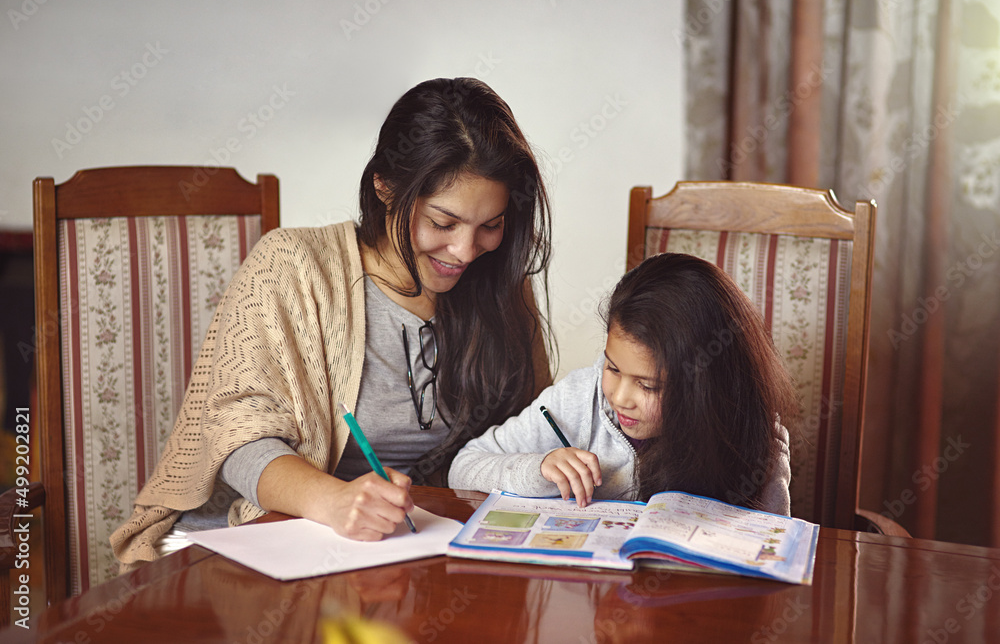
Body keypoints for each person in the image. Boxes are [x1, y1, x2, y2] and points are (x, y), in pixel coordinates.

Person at [111, 77, 553, 569]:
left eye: (490, 225)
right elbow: (237, 439)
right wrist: (334, 501)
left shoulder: (497, 282)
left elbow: (533, 424)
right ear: (386, 186)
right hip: (288, 539)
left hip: (427, 548)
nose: (466, 251)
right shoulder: (293, 266)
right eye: (443, 223)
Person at [449, 252, 798, 514]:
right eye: (613, 368)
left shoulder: (753, 436)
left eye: (648, 386)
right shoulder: (580, 398)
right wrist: (539, 469)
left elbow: (768, 549)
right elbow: (464, 467)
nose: (619, 397)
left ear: (703, 388)